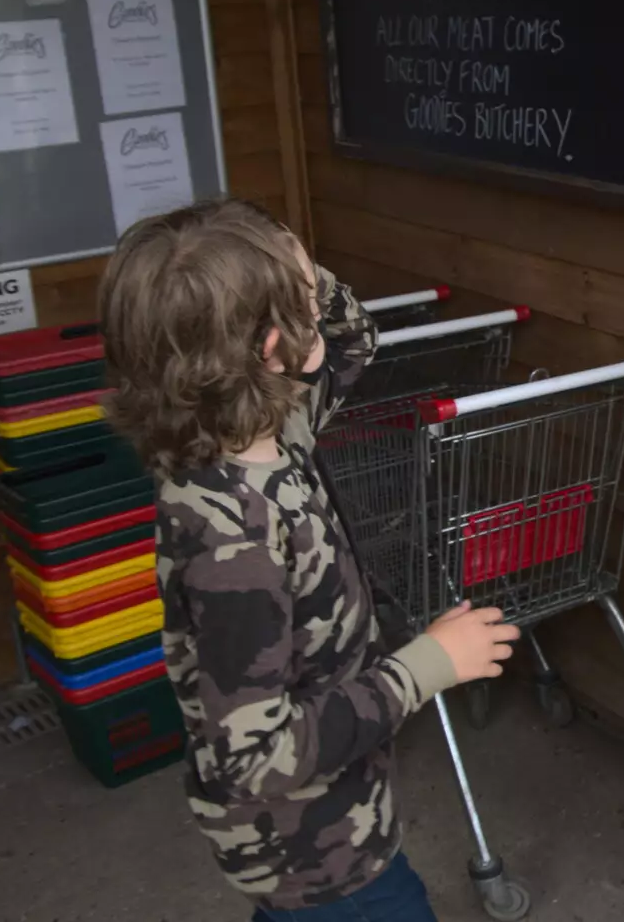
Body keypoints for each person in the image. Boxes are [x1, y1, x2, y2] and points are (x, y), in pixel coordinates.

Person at [98, 199, 522, 922]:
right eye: (301, 300)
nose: (318, 305)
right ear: (269, 347)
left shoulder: (265, 428)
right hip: (312, 857)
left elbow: (355, 344)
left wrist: (305, 279)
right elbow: (255, 752)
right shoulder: (232, 542)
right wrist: (426, 665)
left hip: (338, 822)